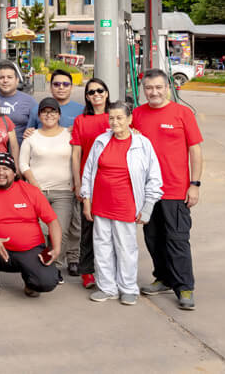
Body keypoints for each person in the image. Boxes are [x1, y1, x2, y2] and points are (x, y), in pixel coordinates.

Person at [134, 69, 204, 310]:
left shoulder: (182, 113)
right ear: (144, 89)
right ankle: (162, 278)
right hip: (146, 192)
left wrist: (194, 184)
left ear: (167, 88)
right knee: (153, 239)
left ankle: (185, 287)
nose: (153, 92)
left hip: (175, 190)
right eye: (149, 88)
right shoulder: (137, 114)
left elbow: (195, 151)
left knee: (177, 240)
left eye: (158, 87)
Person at [81, 102, 163, 305]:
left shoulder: (142, 144)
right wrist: (86, 200)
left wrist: (148, 207)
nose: (115, 122)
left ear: (129, 120)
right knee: (102, 247)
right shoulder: (101, 141)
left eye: (119, 118)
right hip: (100, 204)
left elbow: (154, 178)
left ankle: (128, 288)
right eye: (111, 118)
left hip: (125, 206)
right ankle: (107, 287)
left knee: (126, 248)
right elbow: (89, 172)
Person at [0, 152, 61, 302]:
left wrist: (56, 247)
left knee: (47, 282)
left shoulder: (30, 191)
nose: (1, 173)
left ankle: (31, 283)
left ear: (14, 172)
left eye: (6, 168)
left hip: (30, 249)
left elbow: (52, 221)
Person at [19, 97, 75, 283]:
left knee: (61, 230)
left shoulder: (69, 135)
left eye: (53, 112)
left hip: (63, 192)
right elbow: (22, 163)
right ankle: (41, 264)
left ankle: (56, 266)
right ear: (39, 115)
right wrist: (34, 183)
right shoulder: (31, 137)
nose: (49, 115)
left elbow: (76, 159)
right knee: (41, 231)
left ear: (59, 115)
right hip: (38, 191)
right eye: (45, 112)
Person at [69, 77, 113, 289]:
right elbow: (76, 154)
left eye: (100, 91)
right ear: (87, 97)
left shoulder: (115, 117)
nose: (96, 95)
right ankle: (87, 271)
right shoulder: (81, 121)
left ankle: (110, 270)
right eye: (91, 92)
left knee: (113, 229)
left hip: (114, 182)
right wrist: (78, 184)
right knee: (88, 228)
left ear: (106, 93)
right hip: (90, 182)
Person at [25, 69, 83, 135]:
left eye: (66, 84)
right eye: (56, 84)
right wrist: (27, 133)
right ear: (50, 87)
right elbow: (29, 135)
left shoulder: (82, 110)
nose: (61, 87)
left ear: (71, 87)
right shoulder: (37, 110)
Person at [0, 63, 37, 141]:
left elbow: (40, 125)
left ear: (17, 80)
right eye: (1, 77)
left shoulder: (29, 101)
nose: (5, 80)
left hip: (20, 149)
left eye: (9, 77)